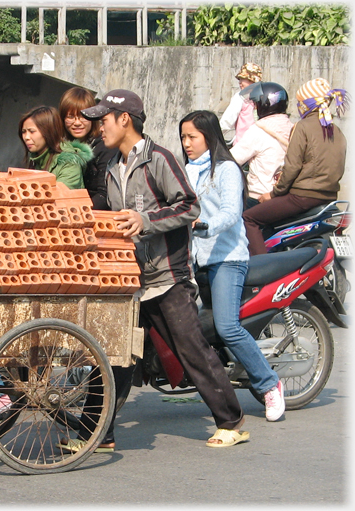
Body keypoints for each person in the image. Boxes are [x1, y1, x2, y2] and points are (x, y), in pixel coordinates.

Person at [68, 90, 247, 449]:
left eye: (103, 120)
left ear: (124, 120)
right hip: (131, 279)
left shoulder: (159, 159)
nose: (98, 127)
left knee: (191, 350)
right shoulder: (112, 165)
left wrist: (145, 220)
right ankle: (97, 435)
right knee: (114, 355)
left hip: (167, 277)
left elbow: (189, 207)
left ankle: (232, 421)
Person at [180, 110, 284, 422]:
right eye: (183, 137)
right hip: (197, 260)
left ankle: (269, 384)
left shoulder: (226, 169)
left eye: (192, 137)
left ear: (209, 137)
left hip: (227, 259)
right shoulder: (187, 170)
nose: (186, 143)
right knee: (195, 329)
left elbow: (230, 213)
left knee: (227, 326)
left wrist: (202, 225)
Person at [243, 78, 348, 256]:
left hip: (302, 197)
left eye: (300, 103)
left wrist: (273, 194)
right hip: (329, 196)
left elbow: (292, 167)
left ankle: (262, 268)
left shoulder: (303, 126)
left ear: (307, 104)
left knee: (249, 218)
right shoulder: (336, 130)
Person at [230, 82, 294, 209]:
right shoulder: (292, 127)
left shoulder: (258, 131)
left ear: (264, 104)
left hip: (259, 197)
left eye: (256, 104)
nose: (254, 109)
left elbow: (232, 158)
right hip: (285, 196)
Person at [58, 87, 118, 210]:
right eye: (70, 117)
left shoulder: (104, 147)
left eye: (83, 116)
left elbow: (105, 196)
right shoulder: (61, 147)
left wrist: (75, 211)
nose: (77, 122)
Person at [18, 105, 91, 189]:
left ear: (48, 132)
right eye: (24, 132)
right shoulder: (35, 158)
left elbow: (60, 195)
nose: (26, 137)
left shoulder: (69, 162)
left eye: (32, 131)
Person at [219, 62, 262, 147]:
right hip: (260, 146)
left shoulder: (240, 97)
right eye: (239, 79)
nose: (240, 82)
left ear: (252, 80)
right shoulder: (263, 96)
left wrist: (214, 135)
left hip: (243, 146)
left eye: (243, 79)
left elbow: (227, 121)